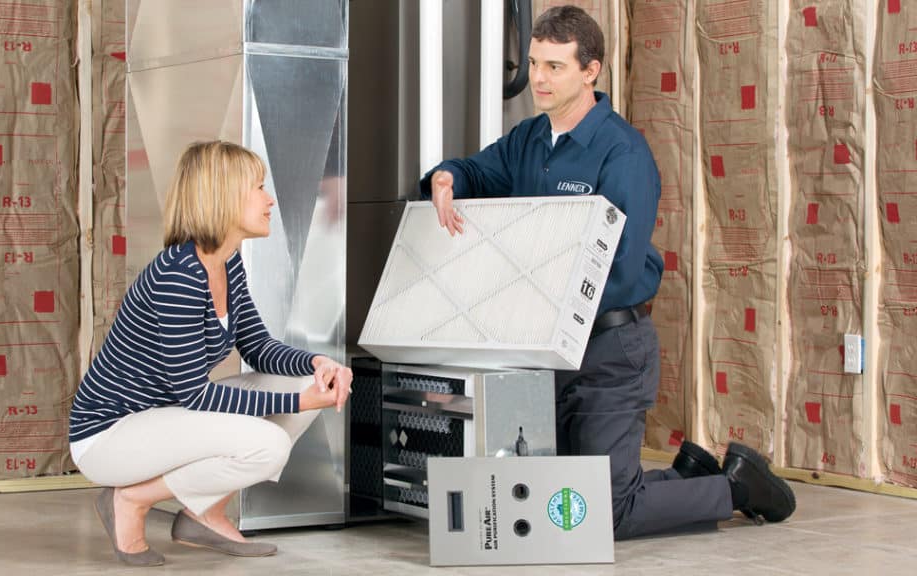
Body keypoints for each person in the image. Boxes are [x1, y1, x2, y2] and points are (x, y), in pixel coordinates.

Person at [419, 5, 795, 540]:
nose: (538, 80)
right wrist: (447, 176)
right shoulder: (529, 138)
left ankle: (735, 488)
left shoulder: (624, 153)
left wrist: (535, 303)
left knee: (603, 512)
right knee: (560, 494)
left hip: (609, 351)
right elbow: (479, 171)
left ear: (590, 71)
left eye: (554, 67)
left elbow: (617, 269)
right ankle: (688, 474)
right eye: (533, 64)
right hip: (547, 350)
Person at [69, 141, 353, 565]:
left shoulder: (226, 262)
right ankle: (129, 501)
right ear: (222, 196)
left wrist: (317, 365)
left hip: (164, 418)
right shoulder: (179, 275)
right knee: (269, 445)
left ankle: (203, 513)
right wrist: (298, 401)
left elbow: (258, 348)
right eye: (257, 187)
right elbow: (196, 396)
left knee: (303, 383)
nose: (269, 199)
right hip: (109, 435)